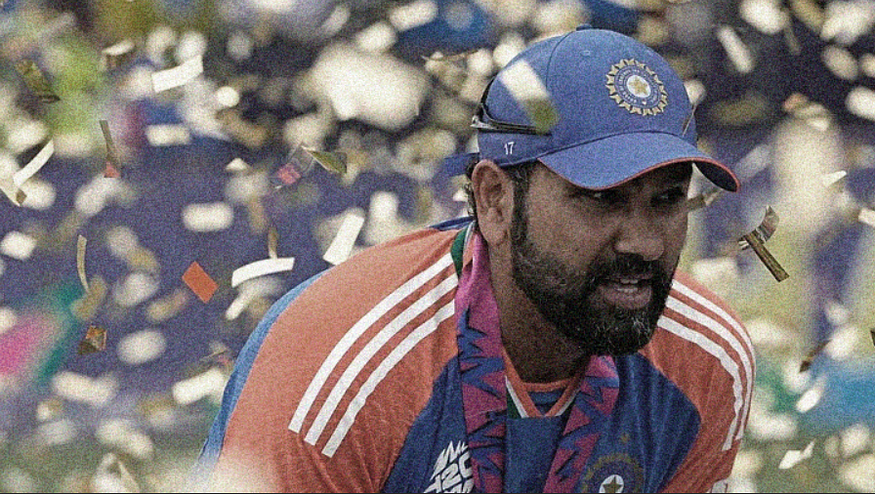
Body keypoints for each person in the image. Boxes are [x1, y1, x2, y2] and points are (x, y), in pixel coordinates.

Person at [192, 26, 755, 493]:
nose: (645, 244)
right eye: (602, 199)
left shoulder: (706, 360)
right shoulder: (339, 369)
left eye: (667, 200)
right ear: (494, 200)